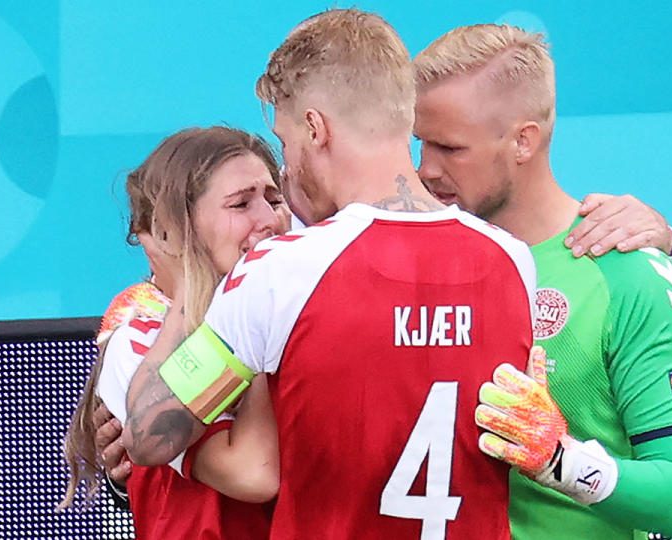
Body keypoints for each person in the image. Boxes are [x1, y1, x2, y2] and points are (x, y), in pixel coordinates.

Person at [121, 9, 538, 539]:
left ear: (315, 128)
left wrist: (180, 277)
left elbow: (151, 435)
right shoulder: (511, 259)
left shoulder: (279, 271)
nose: (287, 163)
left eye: (286, 138)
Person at [412, 24, 672, 539]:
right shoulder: (414, 261)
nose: (425, 170)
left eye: (450, 148)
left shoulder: (628, 273)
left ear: (524, 141)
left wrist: (560, 462)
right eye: (421, 144)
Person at [60, 126, 286, 539]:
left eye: (275, 199)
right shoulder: (139, 339)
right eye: (241, 204)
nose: (269, 219)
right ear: (171, 230)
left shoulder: (304, 308)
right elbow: (254, 474)